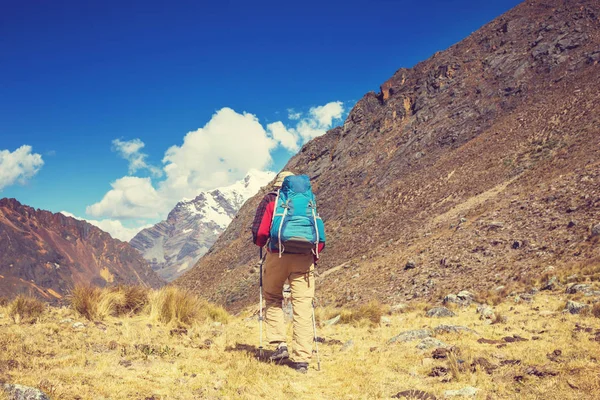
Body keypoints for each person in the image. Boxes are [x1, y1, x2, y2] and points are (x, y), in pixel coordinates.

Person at [251, 171, 325, 373]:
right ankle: (302, 359)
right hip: (304, 258)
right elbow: (317, 232)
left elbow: (260, 233)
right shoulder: (308, 200)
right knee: (302, 305)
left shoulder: (271, 200)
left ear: (278, 185)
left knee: (273, 297)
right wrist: (313, 255)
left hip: (278, 255)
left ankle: (279, 345)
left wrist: (262, 243)